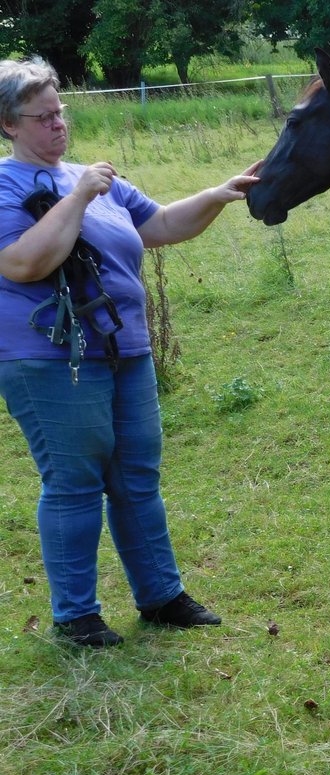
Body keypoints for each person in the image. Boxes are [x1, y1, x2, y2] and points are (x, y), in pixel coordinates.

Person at [0, 56, 260, 647]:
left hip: (125, 352)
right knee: (72, 481)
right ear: (9, 125)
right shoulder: (8, 185)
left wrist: (218, 194)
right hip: (47, 359)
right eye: (42, 118)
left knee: (137, 476)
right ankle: (76, 616)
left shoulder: (93, 179)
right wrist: (79, 197)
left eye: (60, 112)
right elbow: (22, 262)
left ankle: (161, 596)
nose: (58, 125)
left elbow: (163, 223)